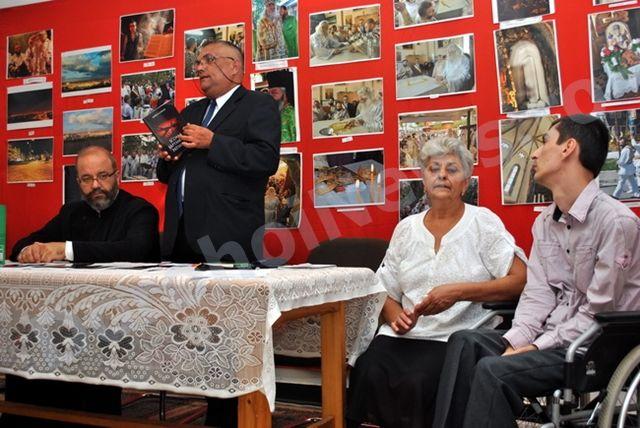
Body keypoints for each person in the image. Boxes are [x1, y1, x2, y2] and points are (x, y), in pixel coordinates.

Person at [433, 115, 640, 428]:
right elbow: (537, 294)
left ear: (568, 148)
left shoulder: (616, 223)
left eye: (545, 142)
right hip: (553, 337)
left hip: (592, 348)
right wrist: (517, 340)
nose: (535, 153)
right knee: (465, 342)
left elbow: (597, 312)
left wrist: (533, 347)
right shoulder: (544, 222)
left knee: (493, 371)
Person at [346, 137, 526, 428]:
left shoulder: (483, 223)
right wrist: (395, 316)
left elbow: (520, 280)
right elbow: (384, 288)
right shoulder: (406, 229)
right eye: (434, 168)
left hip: (456, 338)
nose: (442, 175)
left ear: (465, 184)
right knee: (368, 368)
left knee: (420, 379)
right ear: (424, 180)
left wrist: (459, 292)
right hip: (403, 336)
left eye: (452, 169)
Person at [156, 38, 280, 428]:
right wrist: (167, 159)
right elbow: (171, 173)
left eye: (208, 59)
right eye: (197, 61)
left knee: (229, 338)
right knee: (190, 333)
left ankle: (230, 418)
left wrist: (214, 142)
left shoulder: (258, 105)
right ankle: (197, 405)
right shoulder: (191, 111)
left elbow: (265, 159)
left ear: (235, 67)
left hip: (229, 236)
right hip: (182, 235)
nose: (199, 67)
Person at [6, 146, 160, 427]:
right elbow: (22, 244)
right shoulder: (71, 212)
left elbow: (137, 249)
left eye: (103, 176)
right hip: (68, 319)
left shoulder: (139, 210)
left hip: (120, 320)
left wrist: (64, 249)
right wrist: (29, 250)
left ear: (117, 174)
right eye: (87, 179)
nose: (96, 185)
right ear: (78, 182)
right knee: (28, 341)